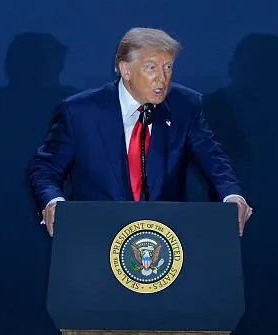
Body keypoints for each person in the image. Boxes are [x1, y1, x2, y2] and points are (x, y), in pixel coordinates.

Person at [27, 27, 253, 236]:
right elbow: (45, 168)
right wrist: (52, 202)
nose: (162, 78)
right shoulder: (79, 112)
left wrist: (232, 196)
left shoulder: (185, 106)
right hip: (95, 235)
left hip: (165, 239)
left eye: (168, 67)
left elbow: (213, 159)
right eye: (151, 67)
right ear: (125, 69)